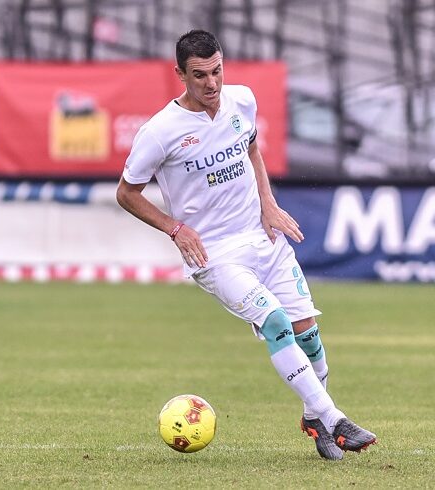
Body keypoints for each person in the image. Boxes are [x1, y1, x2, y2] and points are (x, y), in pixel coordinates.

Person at [116, 29, 376, 461]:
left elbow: (252, 150)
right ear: (180, 75)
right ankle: (334, 418)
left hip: (263, 238)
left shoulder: (242, 101)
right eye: (199, 75)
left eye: (217, 71)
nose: (212, 83)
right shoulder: (160, 132)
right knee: (275, 321)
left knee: (308, 335)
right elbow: (126, 193)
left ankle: (314, 417)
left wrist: (268, 204)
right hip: (214, 254)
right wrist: (175, 229)